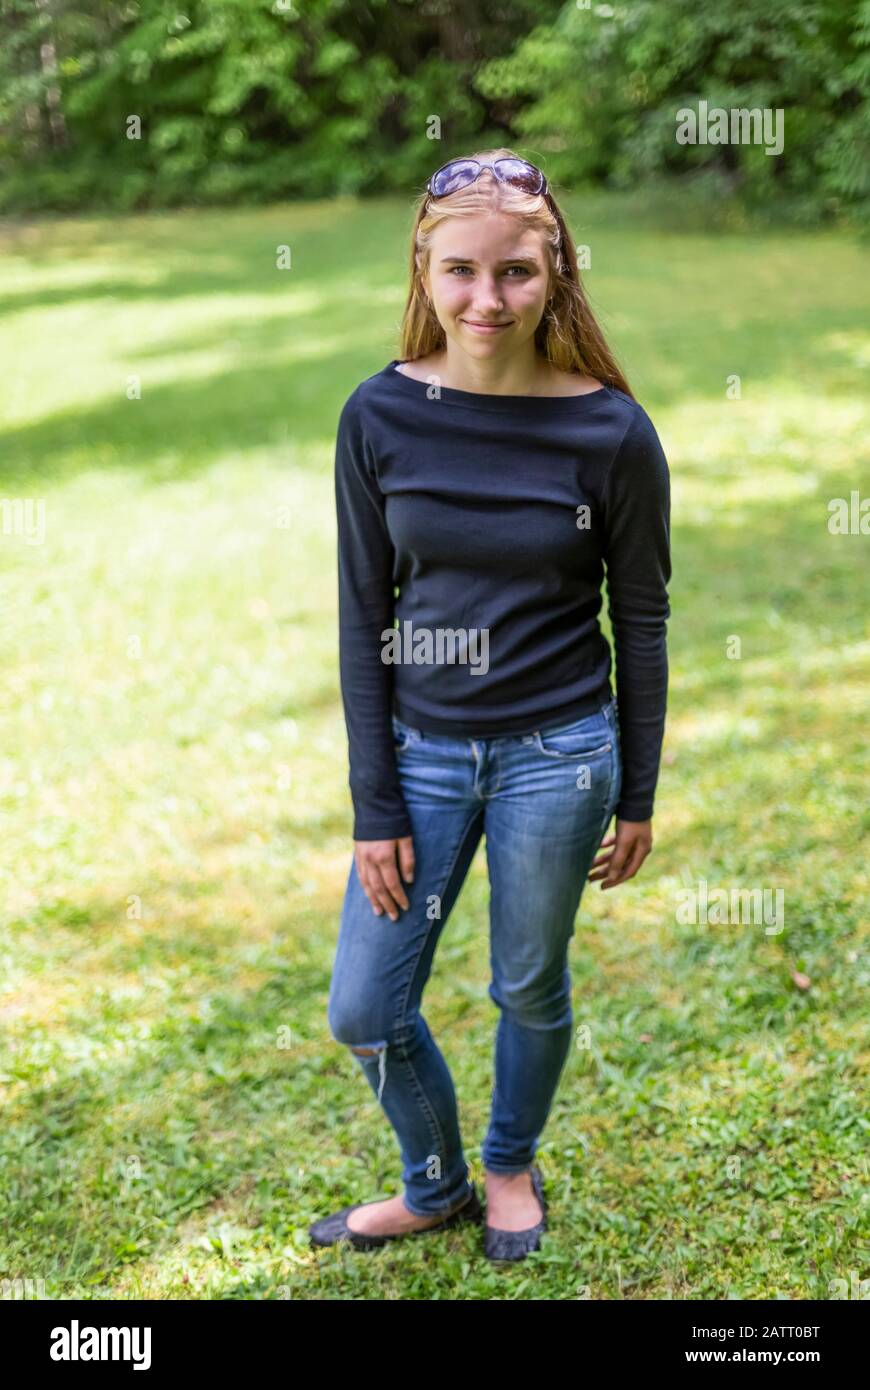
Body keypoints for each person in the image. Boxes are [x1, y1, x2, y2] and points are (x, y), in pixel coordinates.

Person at [309, 149, 672, 1262]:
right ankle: (434, 1182)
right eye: (460, 270)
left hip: (559, 756)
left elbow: (642, 621)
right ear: (424, 270)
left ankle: (508, 1166)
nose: (486, 299)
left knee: (529, 981)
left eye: (515, 272)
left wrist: (638, 791)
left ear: (555, 274)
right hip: (421, 758)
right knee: (364, 1007)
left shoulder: (611, 431)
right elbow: (361, 614)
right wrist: (376, 803)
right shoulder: (377, 415)